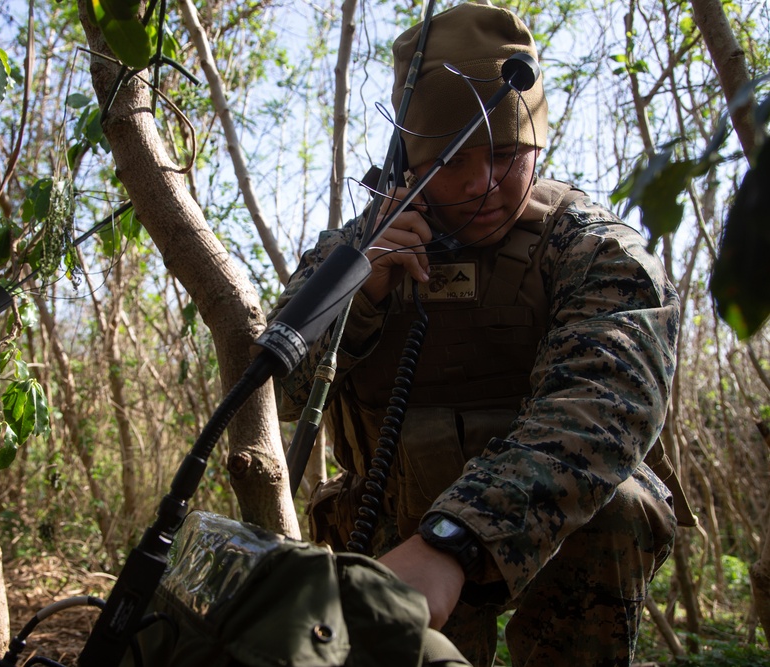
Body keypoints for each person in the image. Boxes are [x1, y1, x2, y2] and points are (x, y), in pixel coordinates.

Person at [270, 4, 694, 666]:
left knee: (619, 501)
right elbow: (277, 393)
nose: (481, 185)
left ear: (539, 145)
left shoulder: (593, 250)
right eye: (452, 161)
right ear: (410, 163)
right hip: (391, 525)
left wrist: (458, 534)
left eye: (505, 155)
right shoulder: (360, 248)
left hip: (557, 533)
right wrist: (365, 293)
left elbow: (602, 405)